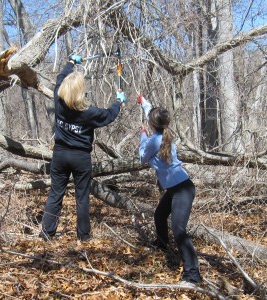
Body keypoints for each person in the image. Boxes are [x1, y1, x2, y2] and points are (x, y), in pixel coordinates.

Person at [39, 54, 126, 242]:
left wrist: (70, 61)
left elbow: (60, 78)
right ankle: (83, 237)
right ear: (80, 91)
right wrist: (118, 102)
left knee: (55, 194)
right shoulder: (89, 113)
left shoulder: (58, 99)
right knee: (82, 197)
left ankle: (47, 234)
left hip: (60, 155)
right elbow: (109, 115)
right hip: (80, 158)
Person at [138, 95, 202, 284]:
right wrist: (143, 102)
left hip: (182, 189)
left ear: (151, 124)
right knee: (159, 215)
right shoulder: (163, 132)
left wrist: (142, 135)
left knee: (179, 230)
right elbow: (153, 114)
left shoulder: (153, 140)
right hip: (177, 187)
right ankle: (162, 245)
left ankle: (193, 274)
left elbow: (142, 157)